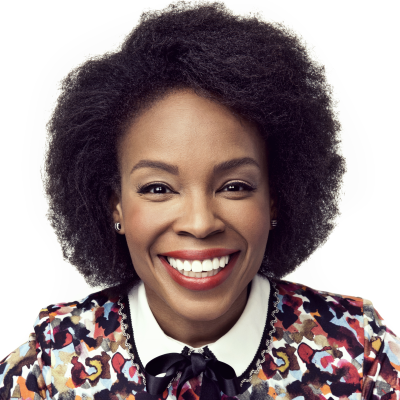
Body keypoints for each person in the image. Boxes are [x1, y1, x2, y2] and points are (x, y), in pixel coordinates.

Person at [1, 2, 399, 400]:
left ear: (276, 198)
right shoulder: (51, 365)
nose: (200, 222)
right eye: (158, 188)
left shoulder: (360, 354)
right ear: (114, 205)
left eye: (234, 186)